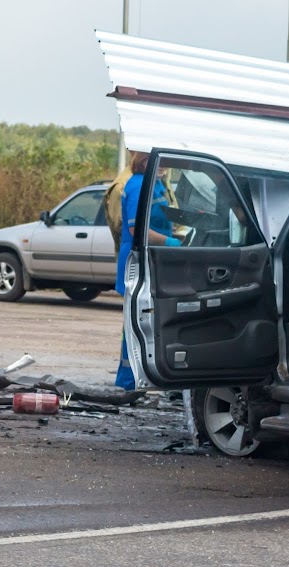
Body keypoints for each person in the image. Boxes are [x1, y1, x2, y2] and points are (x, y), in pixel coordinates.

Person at [115, 151, 181, 391]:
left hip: (154, 258)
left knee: (149, 319)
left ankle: (144, 377)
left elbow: (160, 219)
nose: (164, 167)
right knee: (137, 320)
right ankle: (129, 380)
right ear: (144, 161)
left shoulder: (156, 184)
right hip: (138, 259)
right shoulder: (137, 185)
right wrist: (169, 242)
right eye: (159, 162)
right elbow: (137, 229)